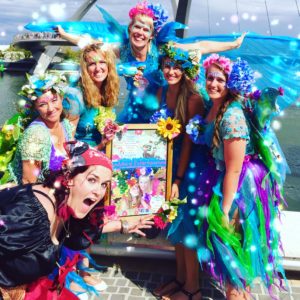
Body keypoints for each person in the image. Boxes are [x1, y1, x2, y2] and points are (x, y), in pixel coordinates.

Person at [0, 140, 153, 299]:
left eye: (104, 185)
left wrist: (124, 225)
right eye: (92, 180)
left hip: (34, 287)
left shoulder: (66, 204)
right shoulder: (30, 213)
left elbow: (78, 233)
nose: (98, 192)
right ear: (69, 177)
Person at [48, 2, 246, 123]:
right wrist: (66, 36)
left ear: (151, 35)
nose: (140, 32)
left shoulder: (162, 50)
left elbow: (200, 46)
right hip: (133, 112)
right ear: (129, 29)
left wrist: (232, 45)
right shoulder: (123, 51)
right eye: (137, 27)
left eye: (146, 29)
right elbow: (91, 44)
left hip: (162, 113)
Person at [193, 54, 287, 300]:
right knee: (229, 253)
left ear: (230, 82)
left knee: (231, 250)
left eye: (220, 79)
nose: (213, 83)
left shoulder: (232, 116)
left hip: (240, 187)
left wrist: (224, 209)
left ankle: (238, 295)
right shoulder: (213, 104)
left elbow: (234, 168)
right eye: (210, 77)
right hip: (226, 178)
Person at [152, 44, 206, 300]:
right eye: (167, 65)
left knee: (187, 228)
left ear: (185, 71)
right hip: (169, 164)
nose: (171, 71)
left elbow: (189, 144)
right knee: (174, 223)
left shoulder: (194, 99)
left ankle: (193, 288)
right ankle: (180, 278)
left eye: (176, 67)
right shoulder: (162, 91)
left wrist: (177, 179)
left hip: (189, 167)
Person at [4, 73, 73, 184]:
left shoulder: (65, 124)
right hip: (38, 197)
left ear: (62, 98)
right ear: (35, 108)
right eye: (42, 104)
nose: (51, 108)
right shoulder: (35, 135)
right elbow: (29, 183)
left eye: (54, 100)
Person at [63, 42, 119, 149]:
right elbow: (67, 142)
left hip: (106, 151)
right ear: (85, 68)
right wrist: (100, 146)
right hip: (82, 157)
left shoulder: (108, 91)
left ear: (109, 65)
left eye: (102, 62)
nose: (98, 68)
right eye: (92, 64)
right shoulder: (74, 96)